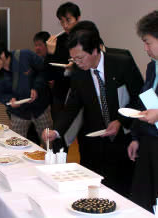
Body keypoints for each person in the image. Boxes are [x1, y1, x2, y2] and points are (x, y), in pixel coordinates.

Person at [42, 26, 144, 197]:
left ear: (96, 50)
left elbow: (139, 97)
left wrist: (120, 121)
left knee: (121, 191)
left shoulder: (121, 63)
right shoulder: (78, 72)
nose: (77, 62)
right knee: (92, 191)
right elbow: (72, 106)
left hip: (122, 141)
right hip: (93, 142)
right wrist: (57, 131)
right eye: (74, 59)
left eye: (80, 58)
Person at [0, 40, 52, 144]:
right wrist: (9, 100)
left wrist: (36, 88)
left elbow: (43, 71)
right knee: (16, 144)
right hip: (19, 113)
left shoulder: (25, 56)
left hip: (41, 108)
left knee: (49, 143)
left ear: (2, 54)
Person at [127, 10, 158, 213]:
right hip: (149, 142)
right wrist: (135, 137)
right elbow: (144, 103)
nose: (145, 48)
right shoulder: (152, 68)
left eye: (148, 42)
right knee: (143, 200)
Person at [44, 2, 80, 120]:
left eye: (68, 20)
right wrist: (50, 53)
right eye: (62, 21)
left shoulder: (88, 38)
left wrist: (74, 67)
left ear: (78, 18)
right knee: (59, 130)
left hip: (82, 91)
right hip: (61, 92)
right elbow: (48, 75)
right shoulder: (59, 40)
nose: (65, 25)